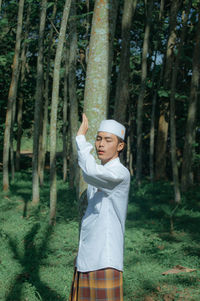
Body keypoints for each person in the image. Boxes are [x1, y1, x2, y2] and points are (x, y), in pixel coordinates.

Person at [69, 114, 130, 301]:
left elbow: (90, 172)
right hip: (87, 256)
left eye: (108, 140)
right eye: (98, 139)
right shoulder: (103, 171)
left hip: (106, 257)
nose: (101, 144)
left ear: (120, 146)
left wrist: (81, 139)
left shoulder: (119, 173)